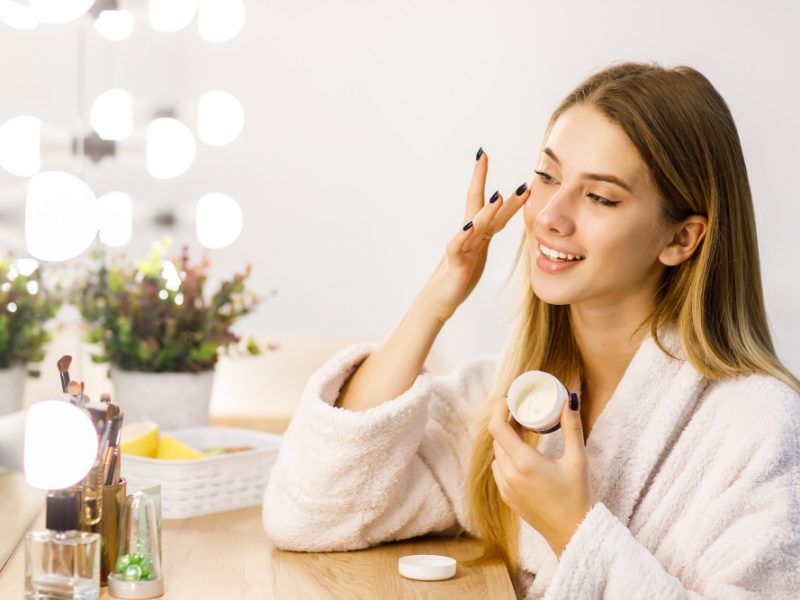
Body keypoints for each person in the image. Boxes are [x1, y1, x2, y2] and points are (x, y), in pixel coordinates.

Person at [262, 62, 800, 598]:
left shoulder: (757, 426)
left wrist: (574, 530)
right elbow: (313, 511)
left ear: (682, 239)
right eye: (546, 177)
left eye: (600, 197)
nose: (550, 215)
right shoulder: (509, 401)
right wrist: (436, 298)